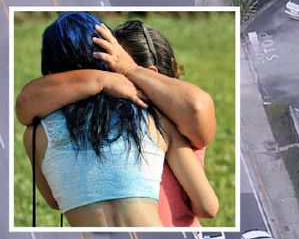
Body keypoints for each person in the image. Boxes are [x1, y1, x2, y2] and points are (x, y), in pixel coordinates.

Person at [18, 13, 218, 227]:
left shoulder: (36, 134)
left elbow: (54, 200)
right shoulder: (157, 118)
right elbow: (208, 206)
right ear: (105, 57)